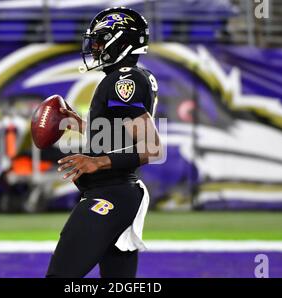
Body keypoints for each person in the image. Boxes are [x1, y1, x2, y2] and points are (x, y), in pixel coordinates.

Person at [46, 6, 162, 278]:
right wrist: (82, 126)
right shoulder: (135, 76)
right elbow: (121, 136)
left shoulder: (123, 79)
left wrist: (97, 161)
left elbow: (152, 148)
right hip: (120, 194)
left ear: (120, 41)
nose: (95, 47)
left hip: (109, 195)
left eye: (100, 40)